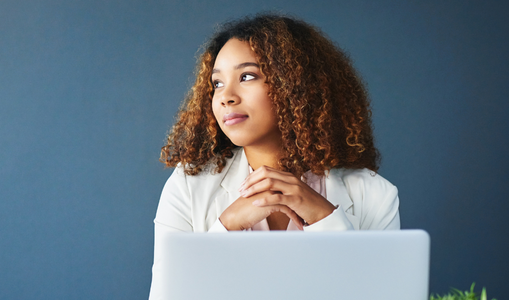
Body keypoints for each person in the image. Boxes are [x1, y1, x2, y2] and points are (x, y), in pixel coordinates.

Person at [149, 13, 400, 299]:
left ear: (296, 86)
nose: (225, 96)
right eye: (217, 83)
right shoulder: (187, 185)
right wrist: (226, 226)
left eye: (247, 76)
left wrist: (325, 218)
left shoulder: (376, 195)